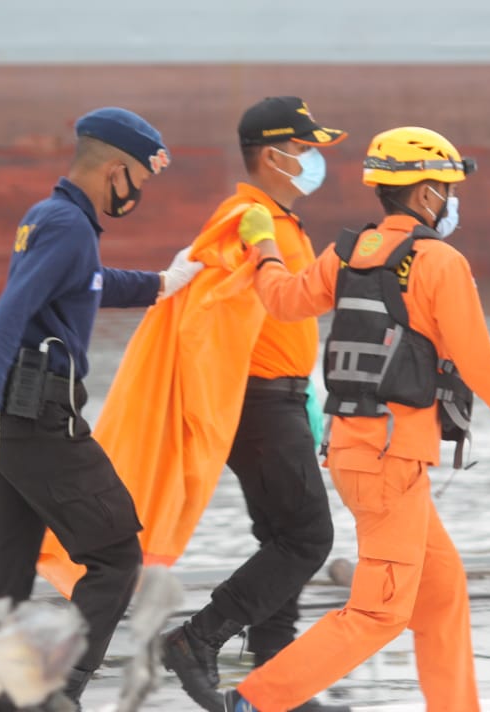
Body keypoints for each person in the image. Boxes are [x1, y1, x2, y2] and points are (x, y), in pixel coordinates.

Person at [218, 126, 490, 712]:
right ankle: (257, 701)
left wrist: (265, 248)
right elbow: (479, 360)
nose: (453, 200)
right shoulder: (440, 262)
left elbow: (282, 300)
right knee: (380, 611)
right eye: (449, 188)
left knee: (440, 593)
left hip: (360, 453)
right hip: (390, 461)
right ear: (427, 193)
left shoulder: (345, 252)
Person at [0, 106, 203, 708]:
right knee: (115, 555)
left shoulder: (52, 219)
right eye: (139, 177)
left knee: (2, 572)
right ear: (116, 170)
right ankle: (56, 692)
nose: (139, 191)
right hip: (34, 415)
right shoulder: (67, 225)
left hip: (13, 416)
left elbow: (86, 284)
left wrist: (161, 283)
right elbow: (12, 310)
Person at [159, 96, 351, 712]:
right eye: (305, 148)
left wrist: (311, 403)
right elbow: (205, 307)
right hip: (261, 402)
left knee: (284, 538)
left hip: (283, 398)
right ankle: (198, 639)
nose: (314, 158)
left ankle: (276, 683)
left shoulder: (277, 220)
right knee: (308, 538)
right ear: (274, 155)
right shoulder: (247, 217)